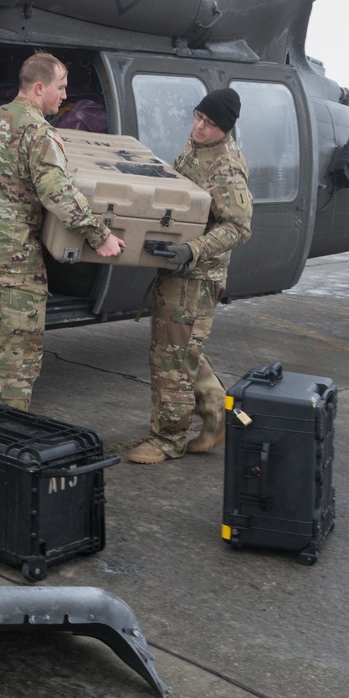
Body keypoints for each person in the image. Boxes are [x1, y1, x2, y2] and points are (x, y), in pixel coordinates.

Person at [0, 52, 124, 412]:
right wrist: (100, 235)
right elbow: (58, 193)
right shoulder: (39, 133)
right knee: (17, 359)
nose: (64, 95)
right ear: (40, 88)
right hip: (13, 264)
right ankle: (5, 439)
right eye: (61, 87)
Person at [128, 87, 253, 463]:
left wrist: (192, 250)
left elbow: (239, 227)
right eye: (198, 117)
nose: (199, 127)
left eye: (210, 124)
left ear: (225, 129)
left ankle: (168, 440)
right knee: (184, 351)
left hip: (196, 277)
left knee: (172, 359)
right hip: (179, 270)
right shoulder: (197, 148)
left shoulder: (225, 166)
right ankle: (216, 418)